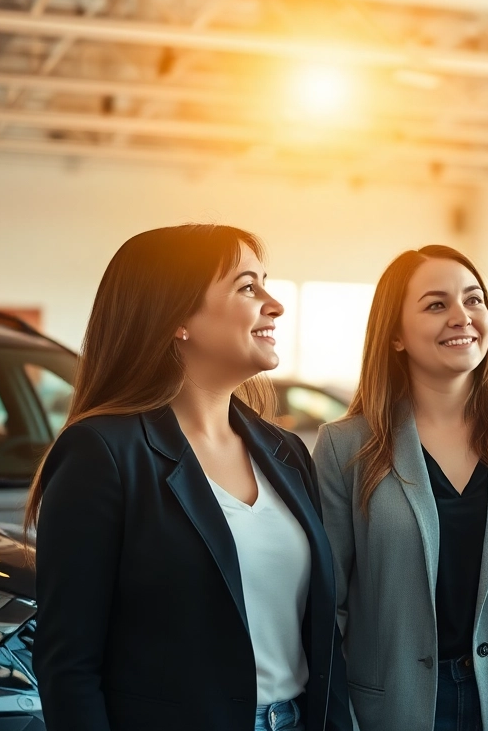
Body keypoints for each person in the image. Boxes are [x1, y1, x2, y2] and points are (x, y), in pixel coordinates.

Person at [29, 224, 350, 731]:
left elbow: (319, 631)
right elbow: (69, 666)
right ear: (177, 317)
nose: (275, 304)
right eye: (248, 287)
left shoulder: (285, 452)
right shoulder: (103, 453)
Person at [314, 245, 488, 731]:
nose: (461, 317)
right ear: (396, 335)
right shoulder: (347, 448)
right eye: (435, 304)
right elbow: (328, 603)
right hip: (393, 711)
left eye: (474, 300)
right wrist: (339, 712)